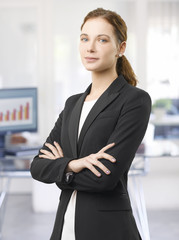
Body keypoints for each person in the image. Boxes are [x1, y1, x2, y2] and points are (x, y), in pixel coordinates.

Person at [30, 8, 151, 240]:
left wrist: (61, 169)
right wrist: (75, 165)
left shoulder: (134, 100)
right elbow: (37, 166)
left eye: (102, 40)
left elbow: (105, 178)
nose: (90, 47)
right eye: (85, 38)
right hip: (64, 228)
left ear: (121, 48)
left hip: (107, 229)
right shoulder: (73, 104)